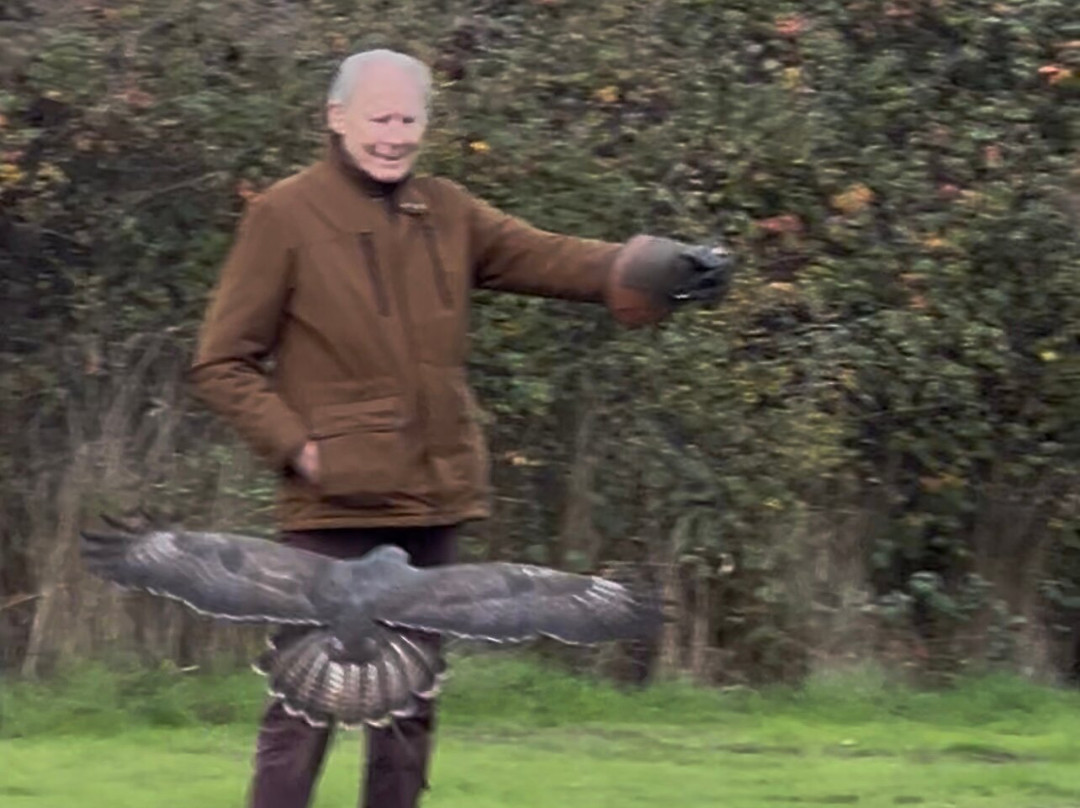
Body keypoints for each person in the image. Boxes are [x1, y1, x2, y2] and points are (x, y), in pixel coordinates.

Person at [188, 48, 731, 808]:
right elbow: (220, 362)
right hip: (331, 510)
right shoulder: (283, 215)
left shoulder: (447, 211)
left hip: (431, 501)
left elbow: (552, 257)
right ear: (336, 118)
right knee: (303, 710)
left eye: (409, 119)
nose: (394, 135)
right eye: (379, 118)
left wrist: (659, 269)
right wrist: (298, 447)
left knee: (408, 708)